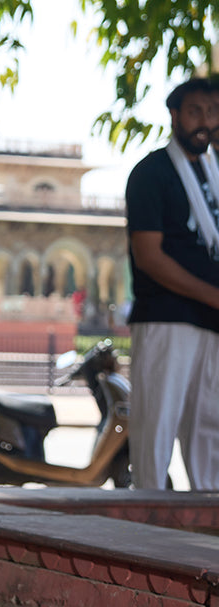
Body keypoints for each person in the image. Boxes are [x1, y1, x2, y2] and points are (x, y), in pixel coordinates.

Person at [125, 77, 219, 489]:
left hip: (210, 323)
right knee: (156, 426)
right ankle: (146, 523)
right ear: (175, 116)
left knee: (209, 430)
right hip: (167, 320)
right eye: (196, 111)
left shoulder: (214, 172)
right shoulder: (152, 173)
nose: (205, 121)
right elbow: (149, 256)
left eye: (212, 112)